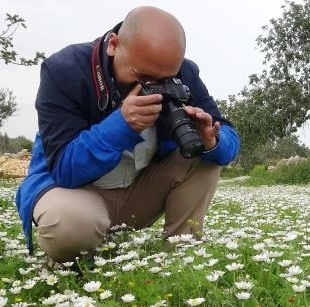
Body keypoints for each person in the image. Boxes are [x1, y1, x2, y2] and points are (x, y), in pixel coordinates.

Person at [15, 6, 239, 262]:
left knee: (207, 158)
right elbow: (65, 169)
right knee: (70, 226)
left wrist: (213, 140)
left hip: (138, 190)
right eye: (142, 76)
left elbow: (228, 136)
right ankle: (80, 253)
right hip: (77, 193)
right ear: (113, 44)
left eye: (164, 79)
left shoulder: (183, 73)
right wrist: (121, 125)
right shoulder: (65, 70)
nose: (152, 87)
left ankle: (181, 258)